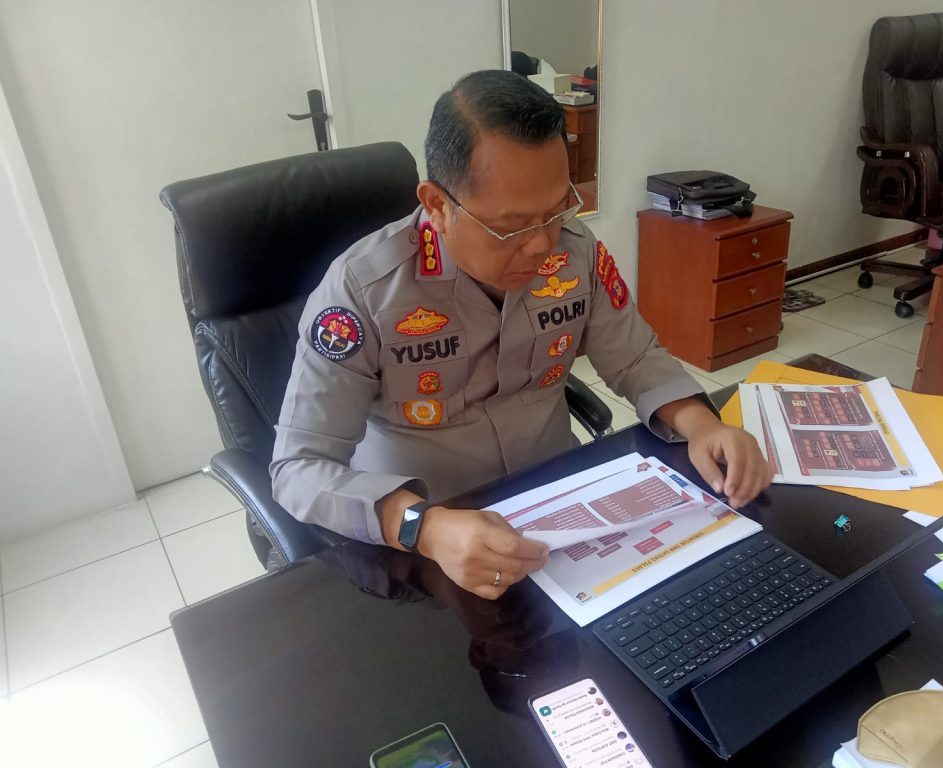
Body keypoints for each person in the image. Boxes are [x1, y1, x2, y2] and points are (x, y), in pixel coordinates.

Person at [271, 70, 771, 600]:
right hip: (428, 537)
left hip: (557, 510)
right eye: (511, 226)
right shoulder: (362, 290)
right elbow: (298, 468)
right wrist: (425, 527)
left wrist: (701, 425)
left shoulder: (575, 250)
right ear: (438, 206)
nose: (541, 245)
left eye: (555, 211)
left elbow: (634, 357)